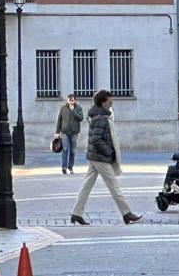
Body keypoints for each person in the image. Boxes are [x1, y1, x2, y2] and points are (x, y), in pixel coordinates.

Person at [71, 90, 142, 226]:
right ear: (103, 102)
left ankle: (76, 213)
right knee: (114, 186)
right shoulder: (101, 118)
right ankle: (127, 213)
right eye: (110, 101)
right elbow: (97, 139)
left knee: (87, 185)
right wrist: (108, 152)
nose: (111, 104)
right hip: (100, 158)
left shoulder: (99, 116)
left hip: (94, 156)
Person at [55, 94, 84, 175]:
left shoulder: (78, 108)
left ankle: (70, 167)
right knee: (65, 149)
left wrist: (73, 110)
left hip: (74, 132)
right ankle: (64, 167)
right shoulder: (63, 108)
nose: (71, 101)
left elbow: (80, 118)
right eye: (69, 99)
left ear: (75, 100)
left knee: (73, 151)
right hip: (64, 132)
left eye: (72, 99)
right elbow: (59, 120)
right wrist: (57, 132)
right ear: (67, 100)